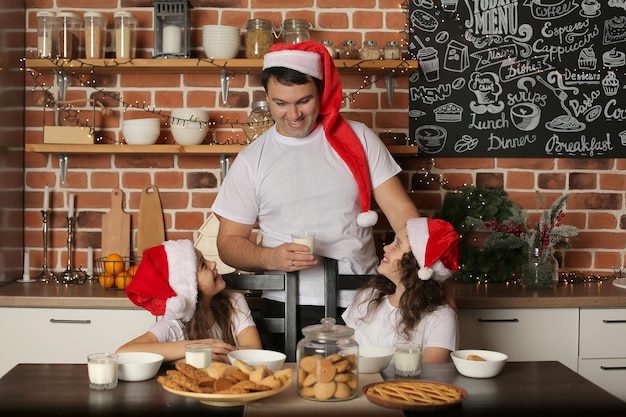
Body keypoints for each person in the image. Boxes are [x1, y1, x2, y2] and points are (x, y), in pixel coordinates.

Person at [211, 41, 420, 336]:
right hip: (285, 305)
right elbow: (228, 243)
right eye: (281, 103)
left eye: (303, 101)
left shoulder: (358, 138)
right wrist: (271, 258)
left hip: (364, 303)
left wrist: (425, 271)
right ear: (267, 98)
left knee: (371, 382)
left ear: (321, 92)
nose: (293, 114)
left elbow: (402, 213)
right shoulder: (251, 160)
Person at [116, 239, 262, 363]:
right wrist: (196, 348)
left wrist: (208, 356)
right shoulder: (174, 325)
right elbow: (123, 352)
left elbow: (255, 350)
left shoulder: (234, 302)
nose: (213, 264)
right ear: (188, 286)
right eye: (203, 265)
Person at [342, 218, 460, 363]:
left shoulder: (440, 317)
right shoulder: (367, 297)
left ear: (416, 263)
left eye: (397, 244)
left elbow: (432, 375)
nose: (386, 248)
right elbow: (345, 352)